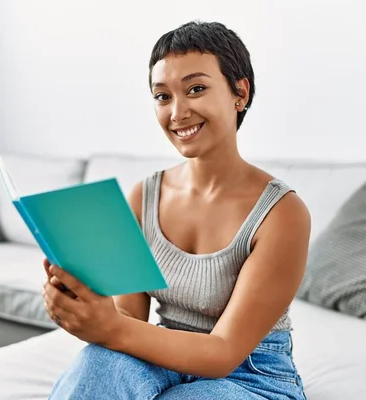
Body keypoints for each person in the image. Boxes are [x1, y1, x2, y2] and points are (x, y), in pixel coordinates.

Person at [42, 20, 311, 399]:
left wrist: (110, 328)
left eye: (196, 89)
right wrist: (85, 305)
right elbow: (129, 320)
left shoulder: (282, 213)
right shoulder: (145, 196)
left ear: (240, 93)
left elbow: (223, 353)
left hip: (250, 374)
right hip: (163, 357)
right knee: (96, 363)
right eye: (162, 96)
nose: (177, 112)